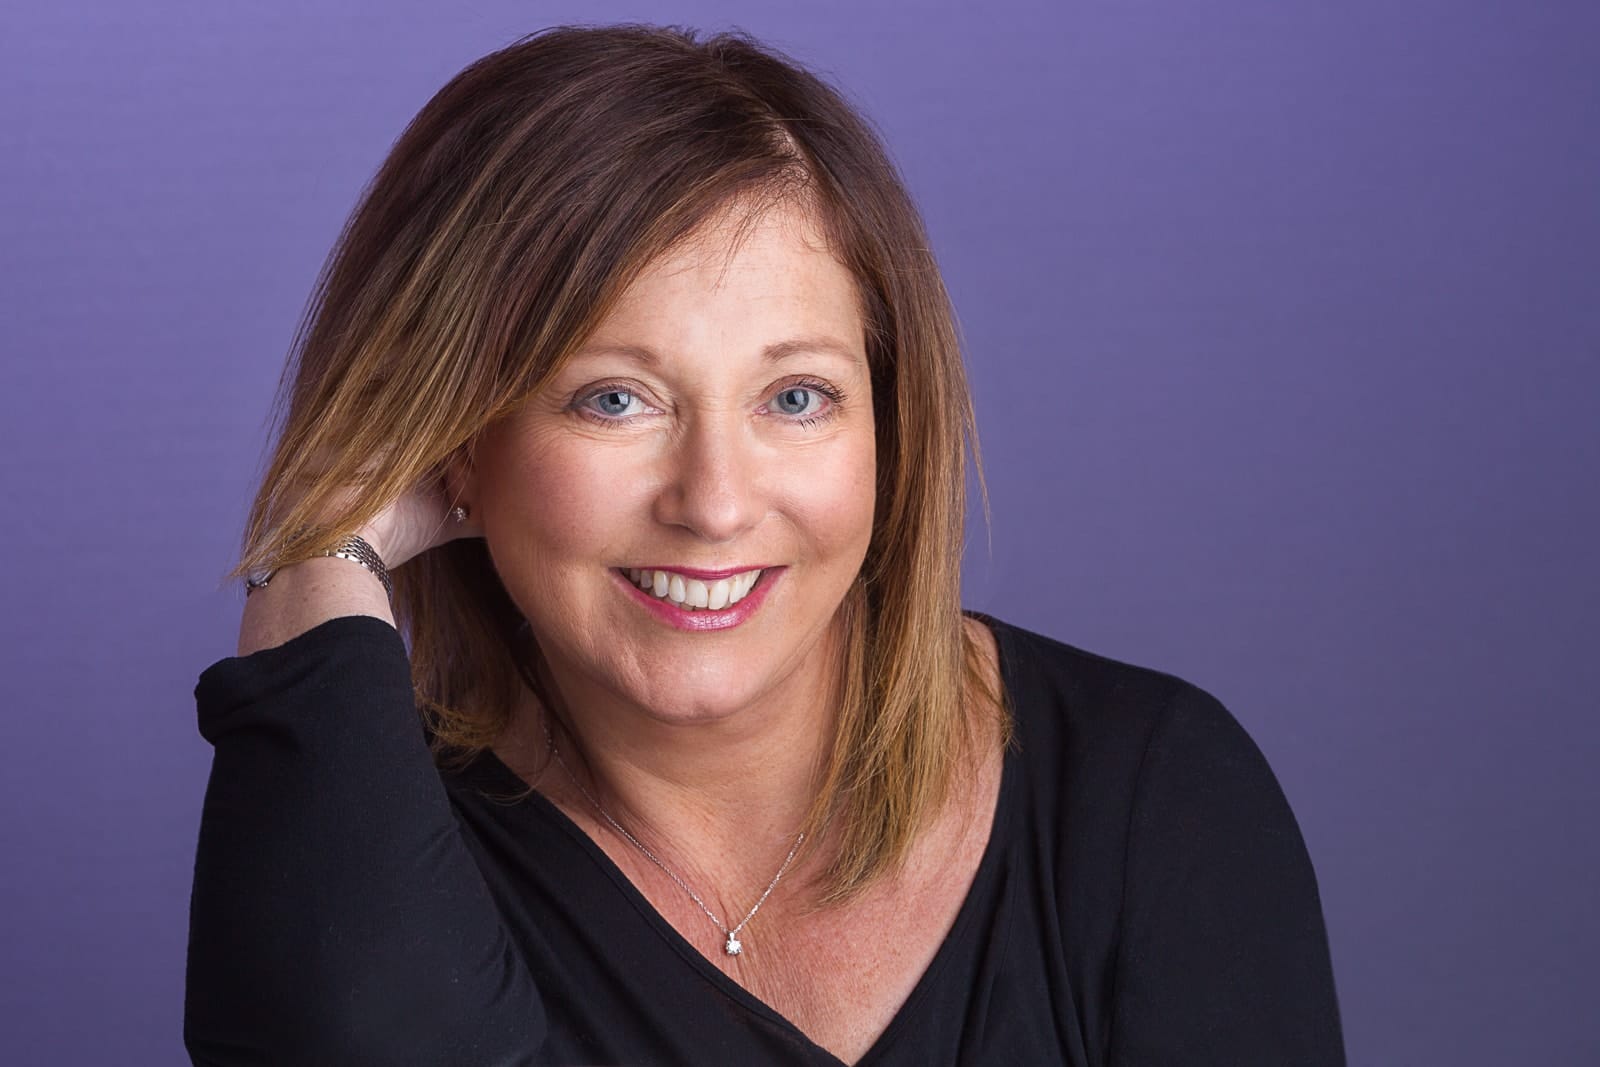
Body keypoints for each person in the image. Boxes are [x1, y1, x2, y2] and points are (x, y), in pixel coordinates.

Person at [183, 23, 1347, 1067]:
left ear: (888, 422)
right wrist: (327, 537)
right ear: (455, 446)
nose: (716, 502)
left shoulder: (1150, 798)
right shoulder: (376, 854)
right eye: (613, 399)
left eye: (795, 398)